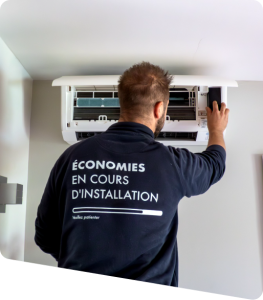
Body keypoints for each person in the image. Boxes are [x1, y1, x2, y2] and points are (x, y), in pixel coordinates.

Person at [35, 61, 229, 287]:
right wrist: (216, 130)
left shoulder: (71, 158)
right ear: (159, 109)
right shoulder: (173, 163)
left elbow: (45, 235)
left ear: (121, 103)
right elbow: (215, 164)